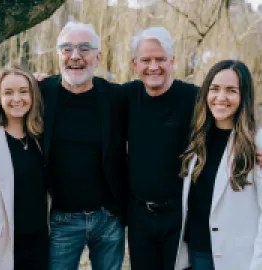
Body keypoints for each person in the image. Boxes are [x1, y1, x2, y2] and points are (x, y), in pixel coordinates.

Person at [39, 21, 127, 270]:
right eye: (67, 49)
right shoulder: (41, 93)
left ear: (98, 56)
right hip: (60, 220)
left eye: (84, 48)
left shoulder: (117, 97)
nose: (75, 56)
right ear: (58, 55)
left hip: (107, 219)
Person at [123, 27, 198, 270]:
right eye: (146, 60)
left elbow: (230, 114)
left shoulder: (194, 98)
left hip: (180, 215)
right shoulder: (126, 96)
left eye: (160, 59)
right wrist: (44, 84)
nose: (153, 67)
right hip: (140, 216)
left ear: (172, 61)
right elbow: (85, 92)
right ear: (135, 64)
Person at [176, 60, 262, 270]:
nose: (221, 98)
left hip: (237, 257)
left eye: (231, 90)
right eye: (214, 89)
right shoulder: (197, 138)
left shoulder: (256, 143)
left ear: (244, 97)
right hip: (196, 252)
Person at [0, 65, 49, 270]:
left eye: (24, 91)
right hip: (3, 244)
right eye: (8, 92)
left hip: (40, 242)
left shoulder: (40, 139)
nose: (17, 99)